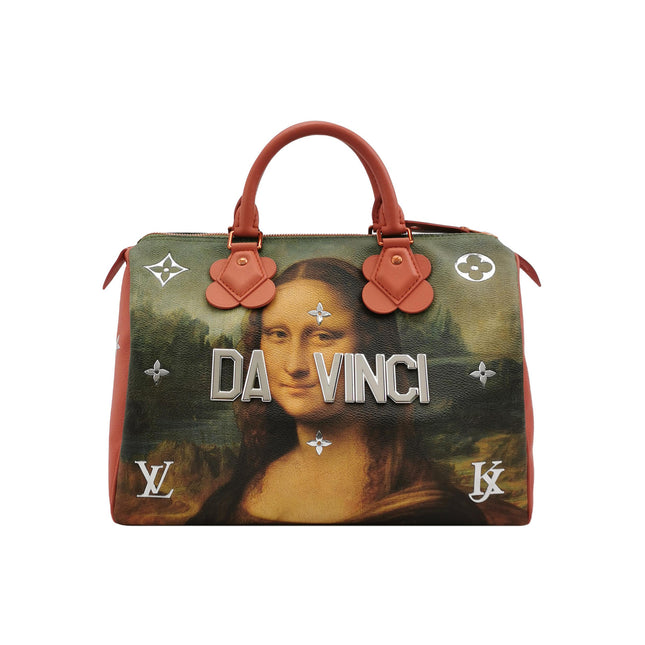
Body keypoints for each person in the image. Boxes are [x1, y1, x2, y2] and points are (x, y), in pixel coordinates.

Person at [188, 258, 487, 524]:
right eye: (278, 334)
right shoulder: (233, 498)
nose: (294, 365)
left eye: (323, 336)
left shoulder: (432, 509)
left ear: (369, 347)